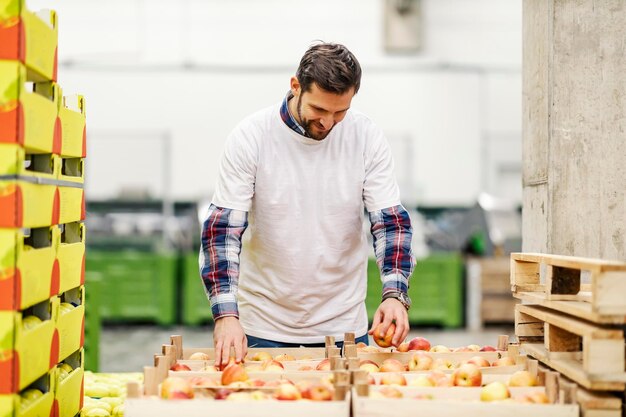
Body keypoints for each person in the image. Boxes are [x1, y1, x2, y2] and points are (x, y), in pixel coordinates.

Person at [200, 42, 415, 368]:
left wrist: (395, 295)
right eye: (319, 110)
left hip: (344, 328)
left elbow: (390, 223)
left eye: (339, 112)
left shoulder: (365, 137)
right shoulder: (251, 137)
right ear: (295, 86)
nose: (328, 123)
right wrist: (225, 315)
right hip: (262, 325)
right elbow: (222, 231)